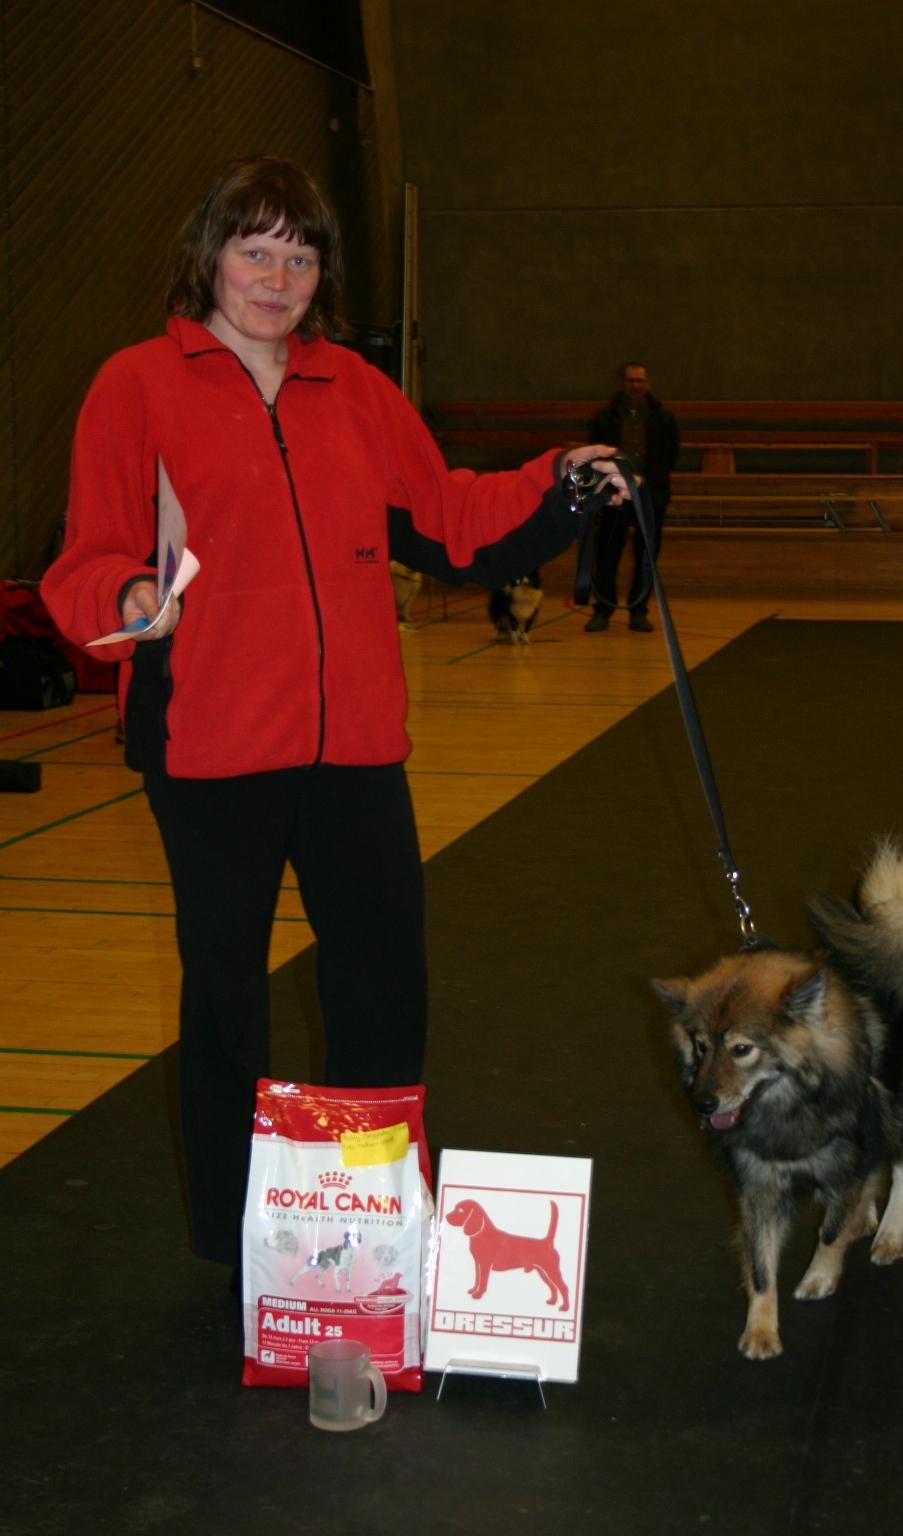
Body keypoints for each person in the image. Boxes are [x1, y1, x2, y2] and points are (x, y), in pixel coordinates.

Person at [41, 156, 628, 1270]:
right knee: (226, 1005)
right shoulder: (136, 384)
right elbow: (89, 559)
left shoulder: (354, 389)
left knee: (381, 992)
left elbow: (449, 515)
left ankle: (374, 1234)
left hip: (355, 750)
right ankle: (239, 1247)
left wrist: (558, 479)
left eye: (299, 254)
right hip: (209, 747)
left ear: (324, 271)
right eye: (254, 249)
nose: (275, 276)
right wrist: (125, 598)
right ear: (209, 255)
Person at [583, 362, 680, 632]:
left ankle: (639, 611)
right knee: (606, 555)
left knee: (646, 556)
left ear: (647, 383)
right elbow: (595, 455)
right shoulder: (605, 417)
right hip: (614, 495)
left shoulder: (664, 417)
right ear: (621, 384)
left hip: (651, 495)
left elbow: (671, 454)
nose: (634, 385)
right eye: (630, 380)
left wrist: (649, 482)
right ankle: (602, 611)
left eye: (639, 380)